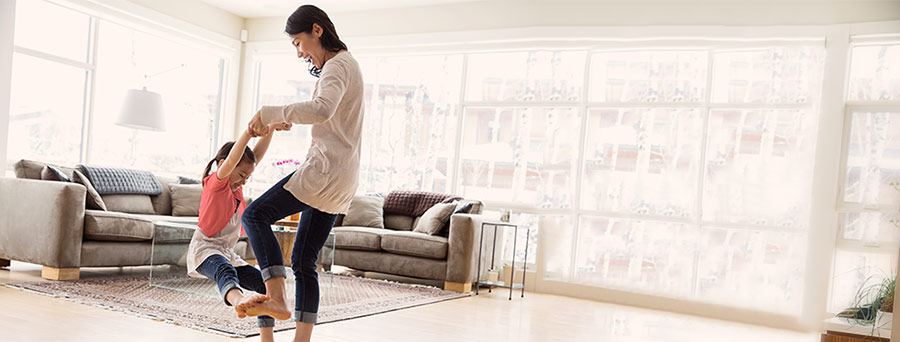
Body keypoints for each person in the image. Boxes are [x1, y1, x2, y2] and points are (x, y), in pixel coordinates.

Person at [236, 4, 364, 342]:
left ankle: (275, 296)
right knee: (304, 260)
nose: (298, 53)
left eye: (297, 42)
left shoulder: (337, 65)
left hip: (323, 173)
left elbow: (322, 110)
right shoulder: (347, 65)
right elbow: (329, 115)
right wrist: (284, 120)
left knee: (254, 215)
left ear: (317, 30)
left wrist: (268, 111)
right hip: (342, 179)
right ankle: (301, 339)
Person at [186, 123, 288, 342]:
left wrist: (270, 129)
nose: (244, 180)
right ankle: (239, 302)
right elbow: (233, 159)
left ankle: (266, 338)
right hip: (205, 250)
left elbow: (256, 156)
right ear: (224, 165)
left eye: (247, 177)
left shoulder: (236, 186)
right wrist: (248, 134)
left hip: (228, 253)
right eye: (241, 175)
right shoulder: (217, 183)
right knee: (225, 272)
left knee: (265, 283)